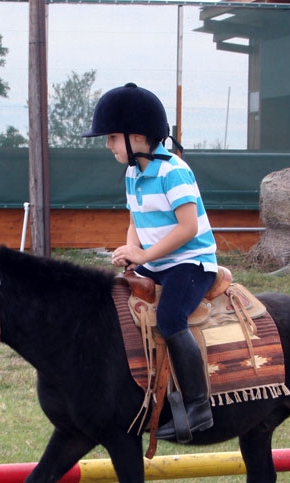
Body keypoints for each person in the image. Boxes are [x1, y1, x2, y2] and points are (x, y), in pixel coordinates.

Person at [82, 82, 218, 444]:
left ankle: (197, 407)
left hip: (191, 264)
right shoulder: (132, 173)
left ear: (137, 137)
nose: (108, 145)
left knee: (171, 318)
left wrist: (143, 255)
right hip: (156, 264)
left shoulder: (173, 171)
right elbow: (135, 223)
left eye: (111, 137)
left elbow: (189, 228)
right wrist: (130, 253)